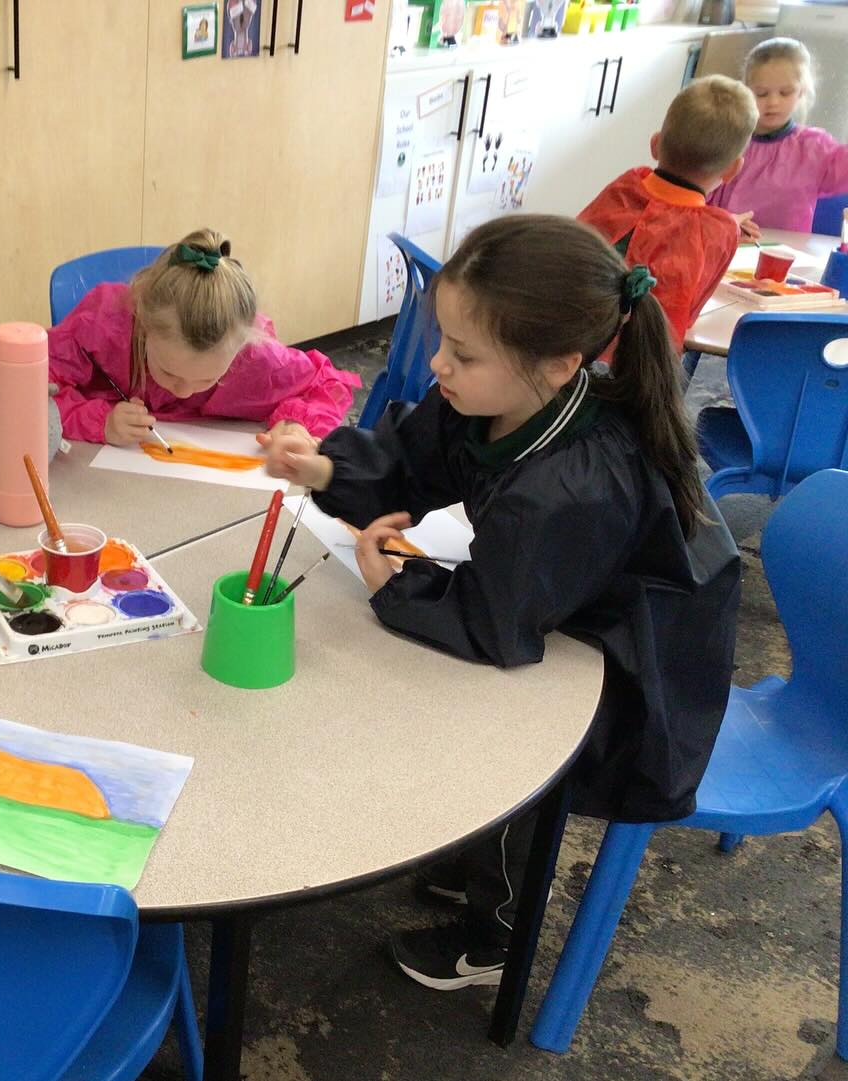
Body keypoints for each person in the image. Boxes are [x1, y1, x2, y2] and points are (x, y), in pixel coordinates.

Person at [259, 216, 740, 990]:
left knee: (513, 732)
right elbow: (414, 466)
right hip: (566, 592)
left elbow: (494, 625)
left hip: (645, 668)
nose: (439, 365)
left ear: (558, 366)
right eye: (442, 339)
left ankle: (499, 929)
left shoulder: (565, 488)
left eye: (464, 352)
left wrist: (396, 583)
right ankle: (472, 850)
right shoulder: (496, 394)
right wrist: (323, 469)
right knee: (440, 684)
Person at [48, 228, 360, 447]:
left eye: (206, 379)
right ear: (142, 324)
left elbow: (325, 382)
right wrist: (99, 422)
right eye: (169, 372)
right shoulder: (104, 326)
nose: (184, 392)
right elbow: (25, 392)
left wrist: (296, 424)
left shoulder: (254, 359)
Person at [578, 75, 757, 347]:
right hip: (646, 367)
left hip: (571, 340)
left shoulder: (627, 186)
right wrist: (726, 226)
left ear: (655, 144)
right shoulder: (719, 231)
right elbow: (689, 315)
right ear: (733, 169)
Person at [707, 37, 848, 235]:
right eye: (762, 93)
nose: (773, 102)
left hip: (787, 252)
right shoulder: (728, 139)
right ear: (745, 90)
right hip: (728, 243)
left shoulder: (813, 147)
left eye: (785, 92)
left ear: (801, 92)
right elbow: (698, 194)